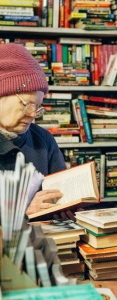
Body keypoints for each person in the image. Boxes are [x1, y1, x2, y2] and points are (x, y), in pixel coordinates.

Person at [0, 43, 66, 215]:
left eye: (38, 107)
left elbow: (61, 195)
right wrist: (20, 210)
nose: (33, 115)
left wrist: (67, 206)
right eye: (27, 105)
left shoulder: (43, 139)